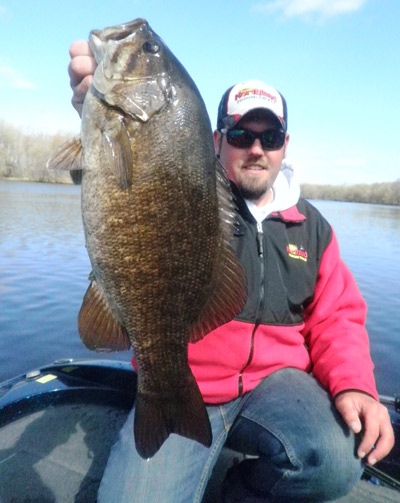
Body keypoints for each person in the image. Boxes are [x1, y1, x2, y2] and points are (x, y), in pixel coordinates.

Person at [68, 40, 394, 503]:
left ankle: (237, 493)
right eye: (241, 135)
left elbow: (336, 319)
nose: (256, 148)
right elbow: (129, 179)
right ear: (216, 140)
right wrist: (98, 117)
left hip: (278, 388)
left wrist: (356, 383)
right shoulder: (188, 197)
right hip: (186, 382)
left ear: (285, 146)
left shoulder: (314, 229)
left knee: (338, 460)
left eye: (270, 137)